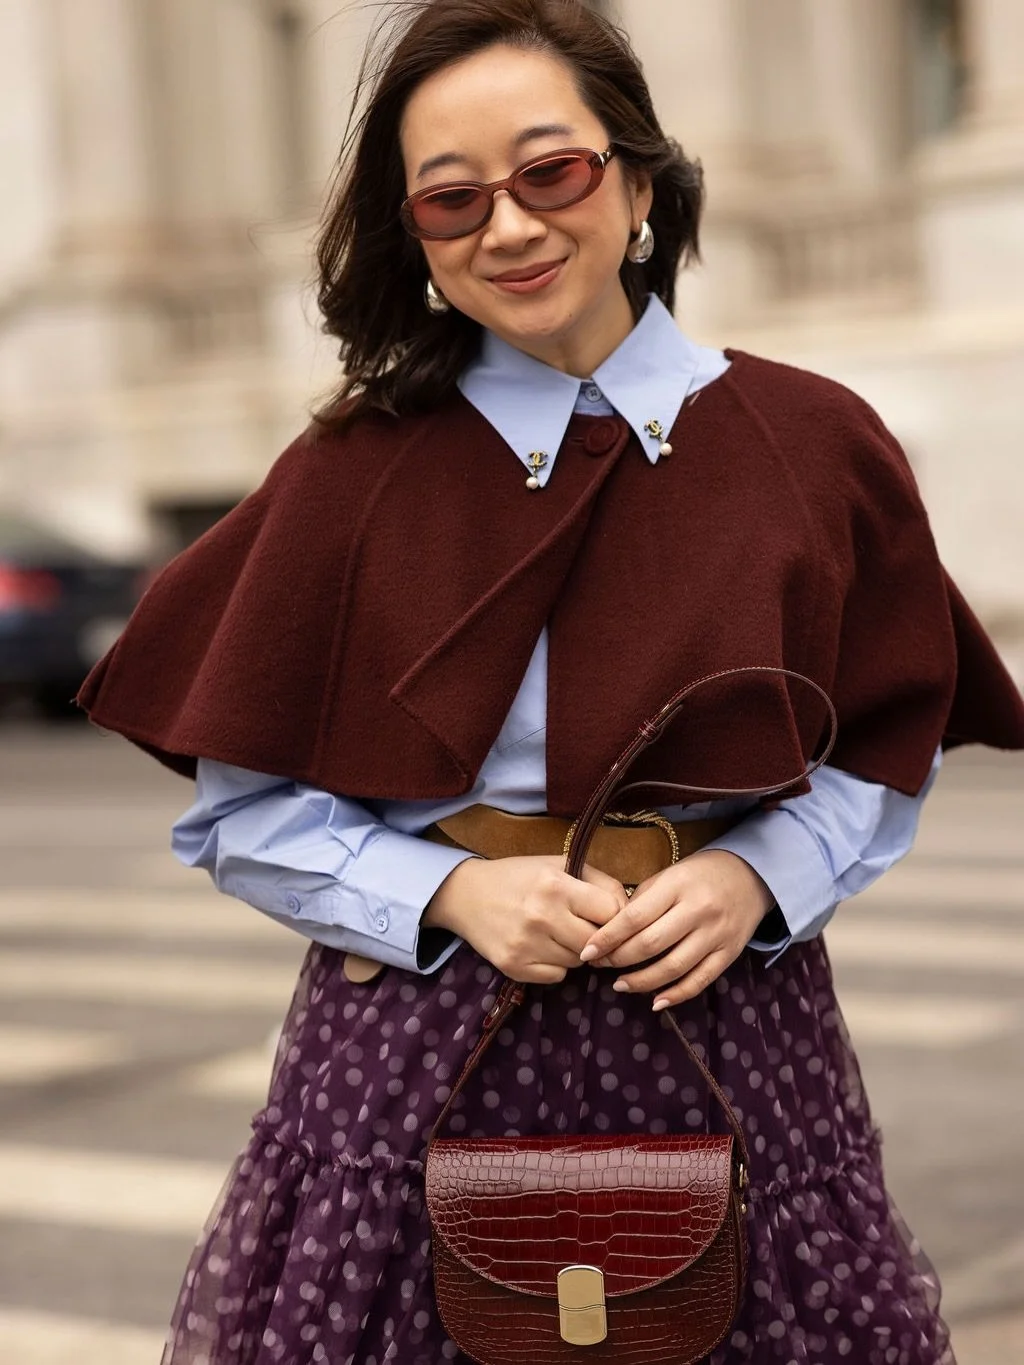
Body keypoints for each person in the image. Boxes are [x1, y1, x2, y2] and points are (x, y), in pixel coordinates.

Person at [78, 2, 1024, 1362]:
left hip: (728, 1029)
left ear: (636, 179)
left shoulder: (816, 443)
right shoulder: (347, 476)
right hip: (412, 1057)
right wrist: (453, 890)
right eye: (452, 200)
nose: (508, 228)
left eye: (551, 172)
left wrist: (758, 877)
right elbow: (239, 814)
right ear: (415, 239)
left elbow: (882, 744)